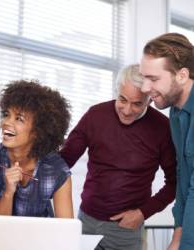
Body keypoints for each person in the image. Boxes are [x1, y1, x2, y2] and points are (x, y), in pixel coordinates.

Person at [60, 64, 176, 250]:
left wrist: (143, 213)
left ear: (150, 100)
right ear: (116, 91)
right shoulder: (95, 115)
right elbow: (63, 161)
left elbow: (175, 182)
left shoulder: (162, 128)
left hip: (126, 230)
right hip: (86, 222)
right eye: (122, 99)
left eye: (137, 103)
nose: (127, 110)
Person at [0, 80, 73, 218]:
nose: (6, 122)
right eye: (6, 114)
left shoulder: (57, 170)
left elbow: (66, 230)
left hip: (42, 238)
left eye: (19, 118)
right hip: (1, 237)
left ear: (39, 130)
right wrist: (8, 192)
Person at [140, 33, 194, 250]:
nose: (144, 88)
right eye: (144, 77)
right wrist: (178, 235)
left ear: (181, 75)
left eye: (153, 79)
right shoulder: (175, 112)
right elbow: (184, 175)